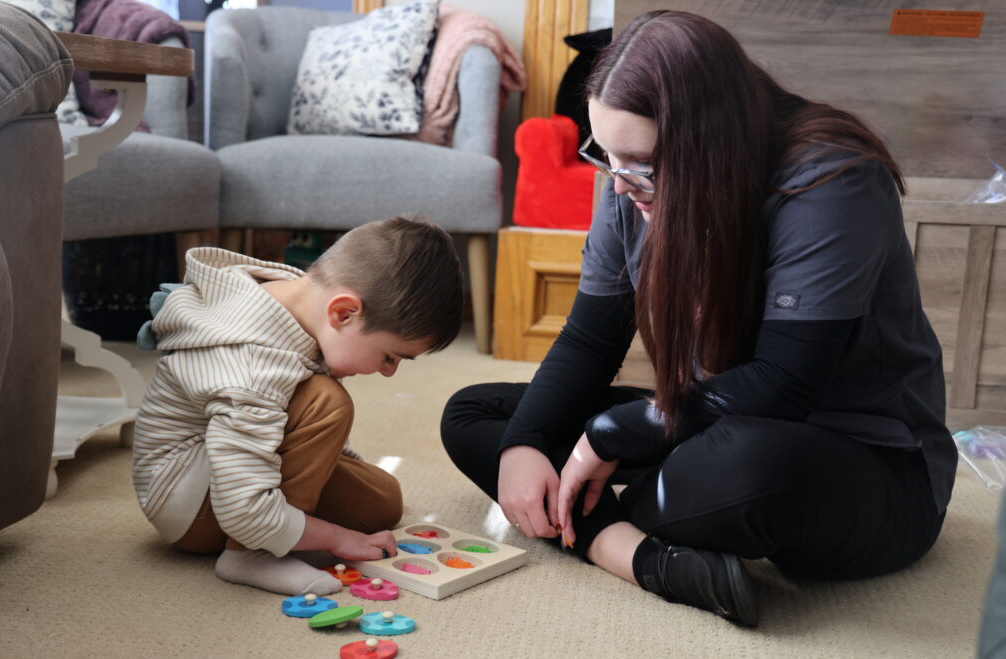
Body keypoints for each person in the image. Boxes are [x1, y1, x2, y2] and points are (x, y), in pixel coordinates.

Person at [441, 10, 956, 627]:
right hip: (712, 423)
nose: (619, 186)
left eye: (640, 162)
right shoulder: (629, 185)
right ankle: (644, 559)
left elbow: (784, 384)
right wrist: (526, 443)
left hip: (865, 464)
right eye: (606, 156)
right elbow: (588, 341)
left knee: (740, 464)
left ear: (710, 145)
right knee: (479, 416)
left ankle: (613, 522)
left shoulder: (830, 179)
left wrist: (606, 435)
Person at [133, 217, 464, 596]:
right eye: (390, 356)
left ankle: (278, 529)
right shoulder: (251, 363)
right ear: (343, 313)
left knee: (381, 503)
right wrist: (337, 539)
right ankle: (250, 554)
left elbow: (307, 438)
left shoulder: (304, 302)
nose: (389, 372)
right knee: (326, 401)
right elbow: (241, 507)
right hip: (189, 505)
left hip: (226, 466)